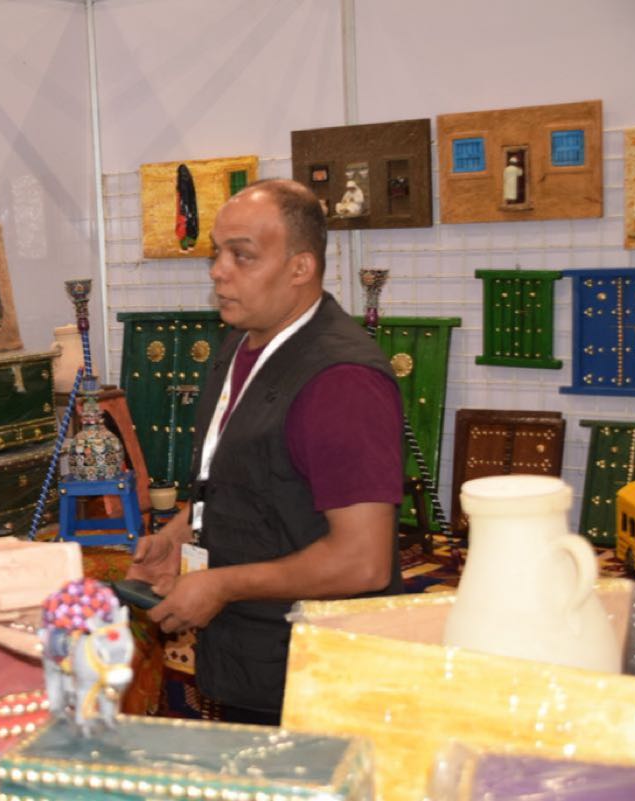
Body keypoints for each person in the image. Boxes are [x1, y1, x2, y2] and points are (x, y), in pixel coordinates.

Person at [127, 178, 404, 725]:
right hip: (245, 651)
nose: (218, 270)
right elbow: (247, 475)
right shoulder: (241, 342)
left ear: (300, 267)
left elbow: (363, 561)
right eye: (215, 253)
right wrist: (179, 536)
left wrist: (223, 584)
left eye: (242, 255)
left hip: (315, 670)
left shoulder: (341, 381)